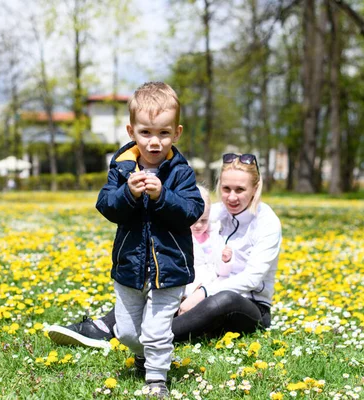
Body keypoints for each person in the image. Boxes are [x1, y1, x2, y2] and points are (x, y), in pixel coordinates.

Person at [48, 152, 281, 366]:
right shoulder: (214, 211)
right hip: (199, 287)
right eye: (226, 188)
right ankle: (103, 326)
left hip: (248, 306)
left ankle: (148, 339)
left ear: (255, 188)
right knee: (165, 273)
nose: (231, 197)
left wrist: (203, 293)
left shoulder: (266, 222)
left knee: (223, 299)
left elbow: (251, 279)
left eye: (240, 190)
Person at [50, 82, 204, 397]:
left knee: (157, 331)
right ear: (131, 131)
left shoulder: (181, 173)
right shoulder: (121, 170)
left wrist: (163, 196)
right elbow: (106, 206)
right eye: (146, 133)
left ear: (176, 133)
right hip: (129, 266)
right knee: (129, 332)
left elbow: (191, 210)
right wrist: (128, 194)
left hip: (170, 269)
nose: (155, 141)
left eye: (163, 133)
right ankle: (141, 354)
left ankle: (156, 380)